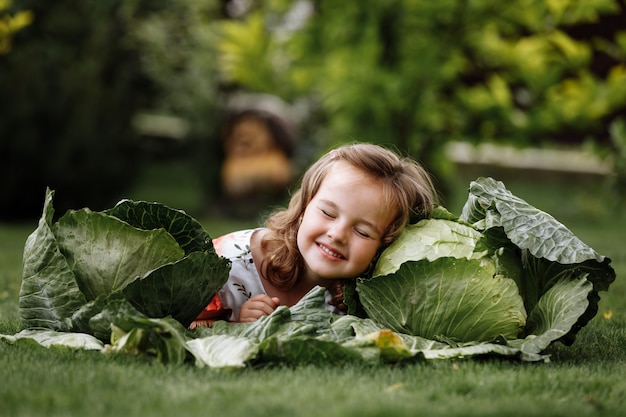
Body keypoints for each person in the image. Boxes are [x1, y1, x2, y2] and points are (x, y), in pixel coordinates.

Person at [191, 143, 438, 328]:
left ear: (385, 246)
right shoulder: (226, 264)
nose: (338, 234)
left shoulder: (367, 302)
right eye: (328, 213)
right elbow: (176, 326)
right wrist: (238, 326)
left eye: (362, 231)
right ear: (304, 208)